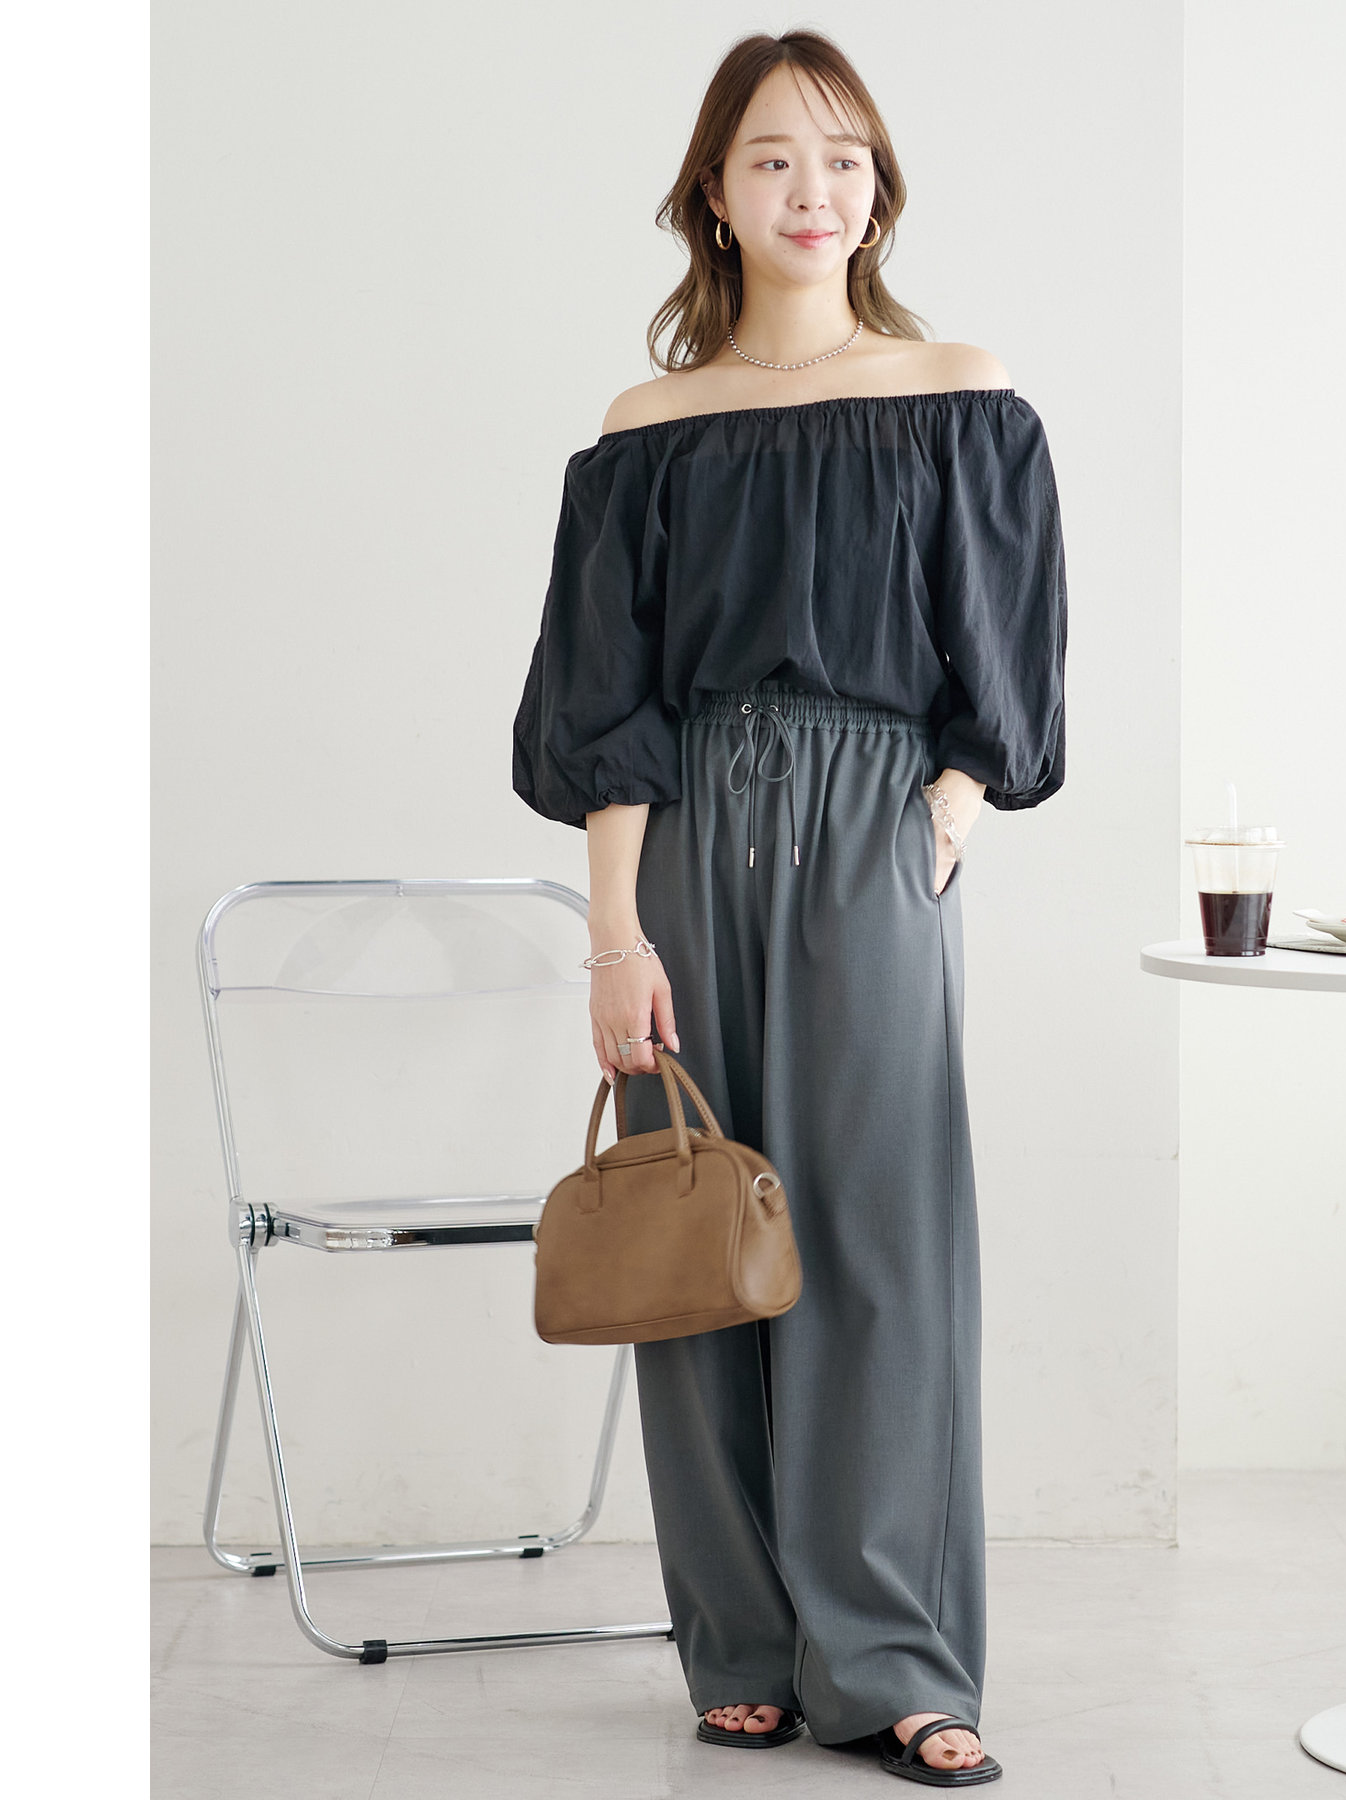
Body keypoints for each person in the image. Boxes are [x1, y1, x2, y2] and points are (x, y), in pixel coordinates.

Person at [512, 28, 1066, 1789]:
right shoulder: (646, 432)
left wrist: (949, 809)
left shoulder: (957, 392)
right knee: (701, 1231)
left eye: (842, 157)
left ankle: (891, 1660)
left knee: (878, 1239)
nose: (811, 189)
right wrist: (617, 935)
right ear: (713, 193)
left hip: (869, 826)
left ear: (879, 190)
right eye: (771, 157)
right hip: (685, 838)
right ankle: (742, 1647)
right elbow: (606, 709)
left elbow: (1007, 649)